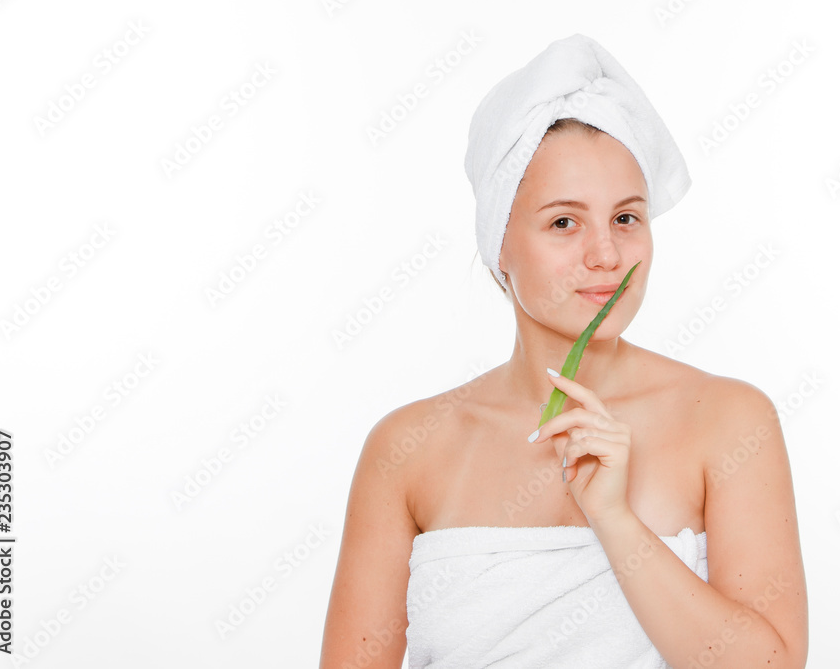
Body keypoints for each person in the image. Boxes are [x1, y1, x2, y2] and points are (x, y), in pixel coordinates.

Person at [320, 34, 808, 669]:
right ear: (499, 244)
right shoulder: (406, 448)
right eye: (563, 222)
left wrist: (616, 520)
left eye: (626, 218)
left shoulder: (729, 420)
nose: (606, 255)